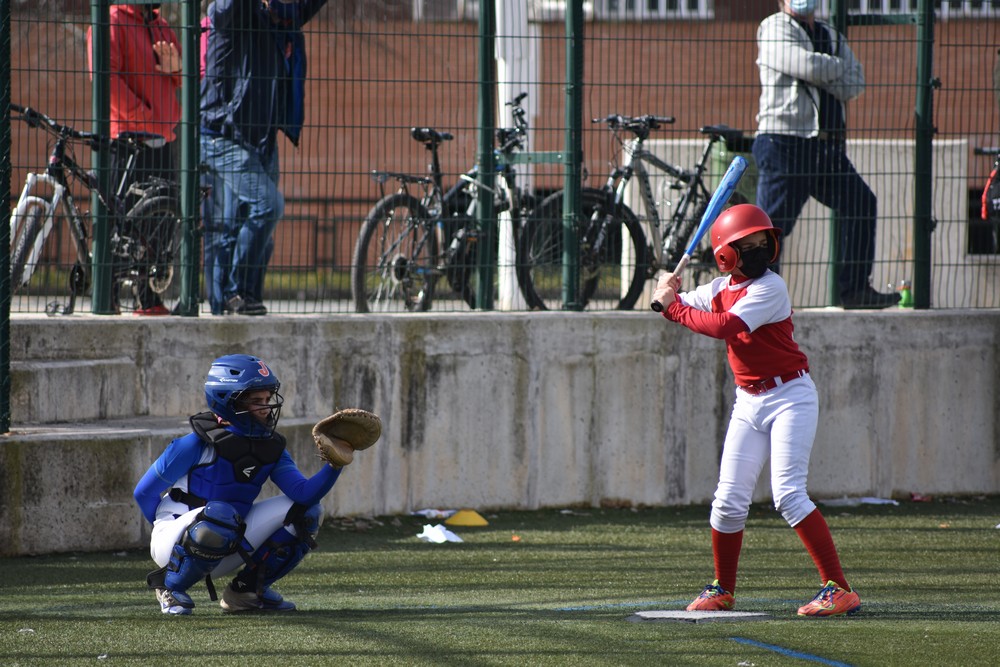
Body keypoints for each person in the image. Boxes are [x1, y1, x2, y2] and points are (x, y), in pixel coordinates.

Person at [651, 204, 861, 618]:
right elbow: (685, 307)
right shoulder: (717, 287)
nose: (759, 250)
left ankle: (839, 588)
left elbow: (722, 326)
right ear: (726, 254)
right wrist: (664, 293)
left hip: (790, 397)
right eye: (747, 245)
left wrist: (672, 306)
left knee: (787, 494)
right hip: (749, 401)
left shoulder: (770, 288)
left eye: (762, 242)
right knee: (727, 501)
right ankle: (723, 589)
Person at [133, 354, 342, 614]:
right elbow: (144, 493)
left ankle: (246, 592)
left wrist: (335, 464)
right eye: (256, 401)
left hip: (229, 538)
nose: (266, 407)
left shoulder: (271, 446)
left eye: (267, 399)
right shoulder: (194, 444)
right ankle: (170, 586)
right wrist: (173, 540)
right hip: (176, 542)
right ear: (228, 401)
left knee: (308, 512)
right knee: (220, 515)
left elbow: (304, 494)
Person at [752, 0, 899, 309]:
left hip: (825, 146)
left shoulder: (830, 34)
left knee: (861, 201)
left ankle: (855, 291)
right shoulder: (774, 26)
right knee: (771, 228)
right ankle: (758, 299)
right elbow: (802, 65)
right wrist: (834, 67)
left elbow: (855, 83)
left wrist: (820, 68)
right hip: (785, 143)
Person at [200, 0, 326, 316]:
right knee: (263, 207)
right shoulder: (231, 13)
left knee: (256, 226)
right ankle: (230, 295)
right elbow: (225, 9)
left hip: (261, 136)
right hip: (223, 133)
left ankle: (246, 296)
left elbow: (305, 8)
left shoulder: (279, 17)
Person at [87, 2, 182, 316]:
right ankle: (108, 296)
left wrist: (177, 70)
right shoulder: (111, 20)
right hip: (127, 140)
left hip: (163, 137)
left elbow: (190, 71)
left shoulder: (160, 25)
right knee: (120, 221)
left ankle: (148, 298)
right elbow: (106, 80)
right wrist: (144, 115)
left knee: (162, 219)